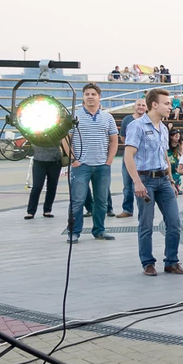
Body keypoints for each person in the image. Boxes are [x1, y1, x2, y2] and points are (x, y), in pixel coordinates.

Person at [123, 89, 183, 276]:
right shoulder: (137, 126)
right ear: (154, 105)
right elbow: (128, 156)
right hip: (145, 179)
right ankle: (148, 262)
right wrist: (137, 182)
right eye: (166, 103)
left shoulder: (164, 128)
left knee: (174, 222)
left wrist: (171, 181)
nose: (170, 107)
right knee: (146, 223)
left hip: (163, 180)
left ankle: (172, 261)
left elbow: (164, 156)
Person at [67, 83, 119, 244]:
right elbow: (65, 139)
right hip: (81, 166)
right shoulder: (73, 116)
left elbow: (114, 140)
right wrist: (73, 160)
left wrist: (109, 161)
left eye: (93, 94)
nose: (90, 97)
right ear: (83, 97)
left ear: (99, 97)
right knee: (77, 200)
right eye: (87, 94)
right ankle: (74, 232)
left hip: (102, 166)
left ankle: (99, 230)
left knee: (101, 201)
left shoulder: (107, 117)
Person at [115, 99, 147, 217]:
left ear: (146, 107)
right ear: (134, 106)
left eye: (143, 105)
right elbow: (123, 137)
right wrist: (132, 147)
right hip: (130, 155)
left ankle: (144, 210)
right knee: (127, 183)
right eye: (138, 105)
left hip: (144, 156)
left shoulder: (148, 120)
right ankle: (127, 209)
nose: (141, 107)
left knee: (144, 182)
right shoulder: (127, 120)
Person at [25, 123, 63, 220]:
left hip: (55, 161)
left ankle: (47, 209)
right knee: (37, 186)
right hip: (39, 161)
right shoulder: (35, 129)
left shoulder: (57, 130)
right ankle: (31, 211)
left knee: (52, 186)